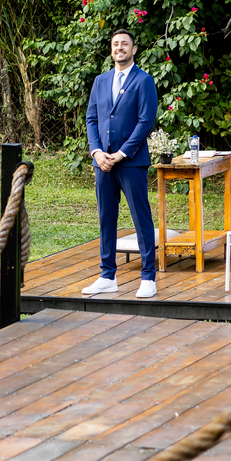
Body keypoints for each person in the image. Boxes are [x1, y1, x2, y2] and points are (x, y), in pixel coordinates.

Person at [81, 29, 159, 299]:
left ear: (134, 49)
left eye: (125, 44)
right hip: (102, 162)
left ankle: (148, 277)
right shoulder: (100, 81)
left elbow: (145, 122)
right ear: (111, 49)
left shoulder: (144, 80)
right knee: (106, 218)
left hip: (131, 162)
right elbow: (92, 118)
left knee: (141, 217)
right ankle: (107, 276)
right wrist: (96, 152)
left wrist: (122, 153)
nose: (120, 48)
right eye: (115, 44)